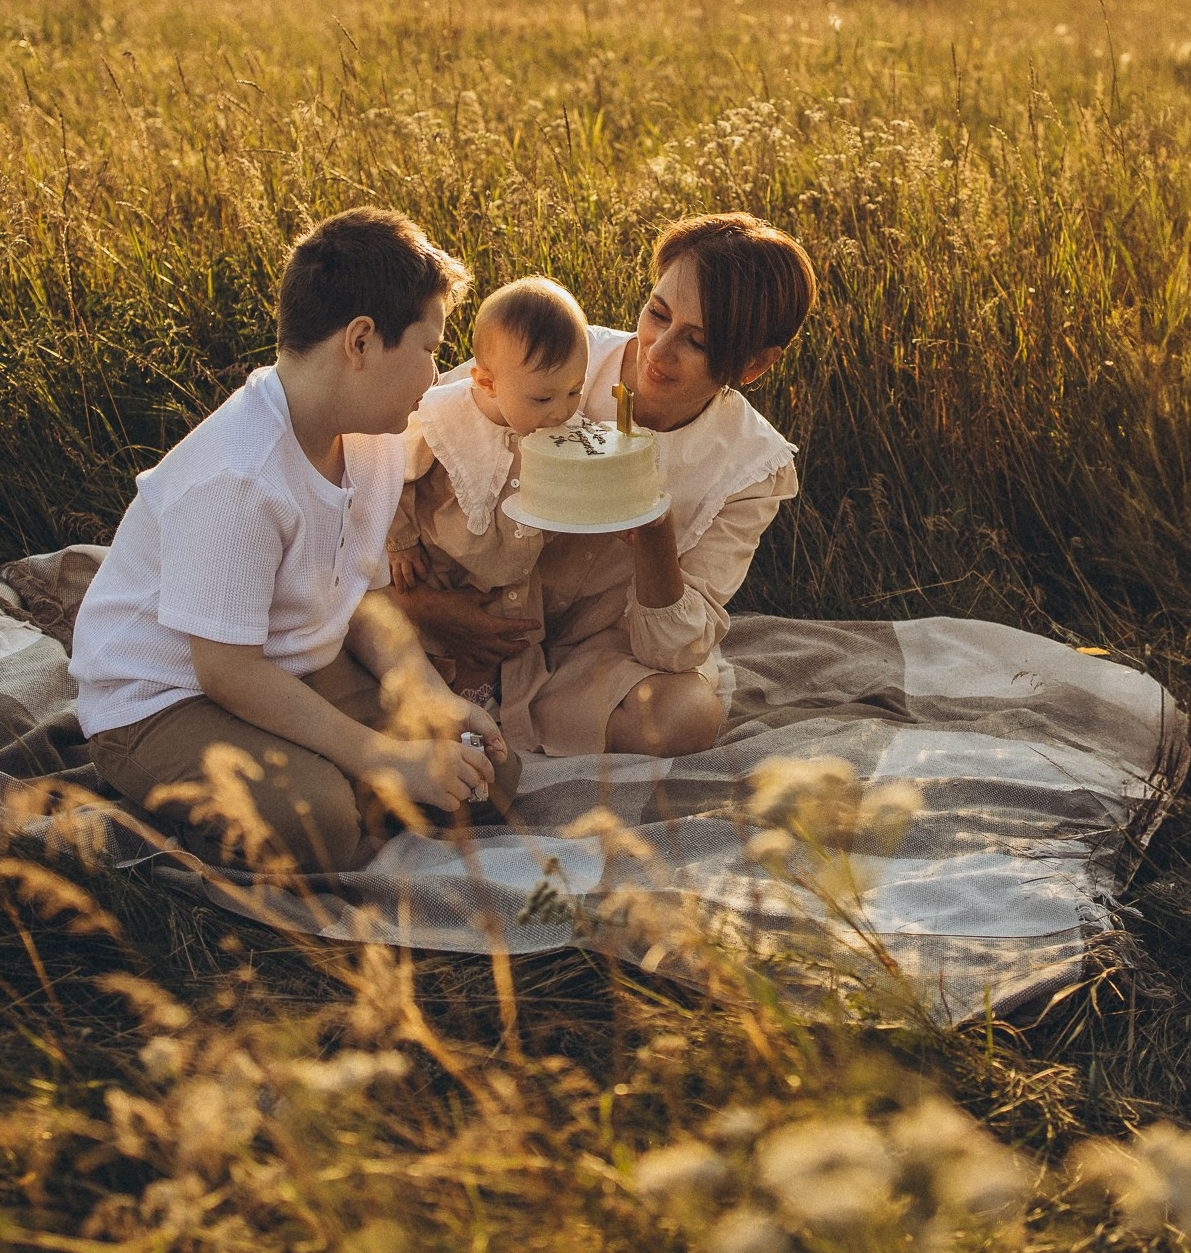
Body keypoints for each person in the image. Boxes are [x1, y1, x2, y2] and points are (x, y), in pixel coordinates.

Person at [70, 207, 514, 875]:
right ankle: (158, 806)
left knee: (484, 777)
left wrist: (428, 694)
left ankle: (343, 781)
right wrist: (384, 756)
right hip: (167, 696)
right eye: (428, 348)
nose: (435, 372)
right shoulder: (238, 474)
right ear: (360, 341)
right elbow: (225, 669)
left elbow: (361, 593)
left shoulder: (374, 438)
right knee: (321, 824)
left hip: (289, 662)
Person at [394, 214, 816, 757]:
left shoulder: (751, 466)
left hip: (593, 656)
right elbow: (420, 429)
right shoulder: (561, 358)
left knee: (686, 716)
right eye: (657, 314)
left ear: (753, 365)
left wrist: (656, 539)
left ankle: (515, 714)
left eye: (698, 341)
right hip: (464, 615)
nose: (658, 351)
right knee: (355, 645)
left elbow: (676, 650)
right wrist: (421, 606)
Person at [386, 276, 590, 705]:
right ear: (487, 382)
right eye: (542, 399)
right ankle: (441, 700)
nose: (560, 412)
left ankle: (485, 697)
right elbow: (392, 473)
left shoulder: (561, 423)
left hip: (512, 570)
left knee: (502, 638)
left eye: (574, 391)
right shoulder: (444, 419)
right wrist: (401, 542)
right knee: (429, 646)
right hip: (443, 565)